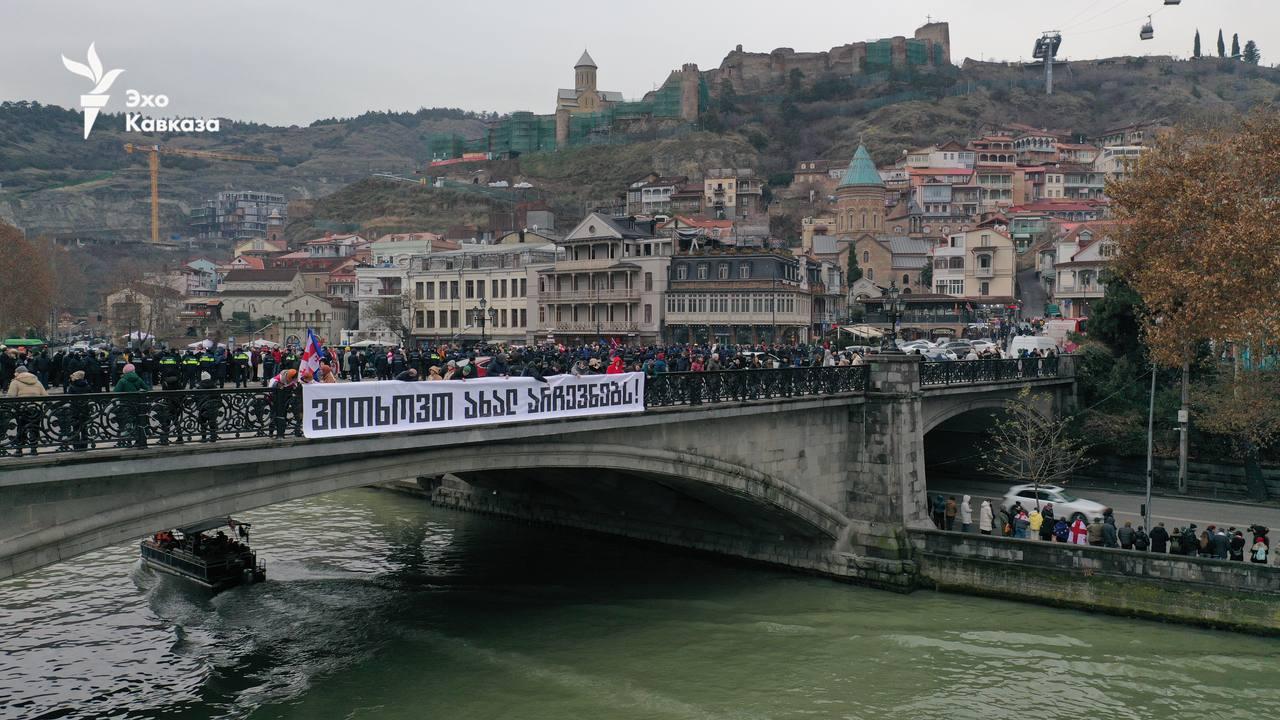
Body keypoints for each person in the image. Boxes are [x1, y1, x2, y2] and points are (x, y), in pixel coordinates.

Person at [7, 364, 48, 455]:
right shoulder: (37, 381)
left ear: (18, 373)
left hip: (23, 409)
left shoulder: (15, 382)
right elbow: (45, 395)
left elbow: (10, 397)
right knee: (34, 428)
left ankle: (19, 450)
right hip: (36, 409)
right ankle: (34, 449)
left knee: (21, 428)